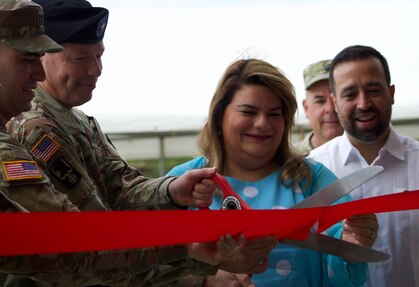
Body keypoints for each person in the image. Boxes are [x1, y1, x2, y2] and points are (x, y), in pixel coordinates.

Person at [0, 0, 276, 286]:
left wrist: (170, 191)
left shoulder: (75, 120)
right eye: (81, 58)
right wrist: (194, 262)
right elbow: (89, 244)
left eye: (99, 56)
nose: (96, 70)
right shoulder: (38, 129)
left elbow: (120, 188)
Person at [167, 58, 378, 286]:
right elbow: (148, 264)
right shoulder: (181, 183)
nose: (262, 123)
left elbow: (346, 248)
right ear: (219, 116)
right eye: (248, 111)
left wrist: (352, 241)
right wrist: (205, 280)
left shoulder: (311, 178)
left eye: (275, 113)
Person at [309, 45, 419, 287]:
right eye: (350, 94)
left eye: (373, 90)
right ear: (334, 101)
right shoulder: (310, 170)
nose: (363, 103)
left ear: (392, 92)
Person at [294, 59, 343, 153]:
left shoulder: (373, 155)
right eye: (320, 101)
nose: (331, 108)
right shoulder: (288, 161)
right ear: (306, 108)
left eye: (336, 99)